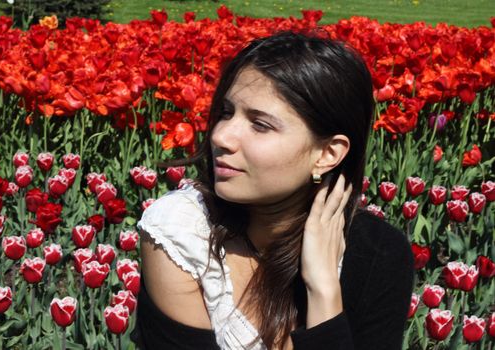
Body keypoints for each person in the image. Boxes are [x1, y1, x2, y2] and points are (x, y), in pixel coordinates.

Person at [130, 30, 415, 350]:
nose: (222, 136)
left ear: (327, 154)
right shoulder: (184, 232)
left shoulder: (377, 255)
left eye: (260, 124)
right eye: (226, 112)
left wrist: (323, 292)